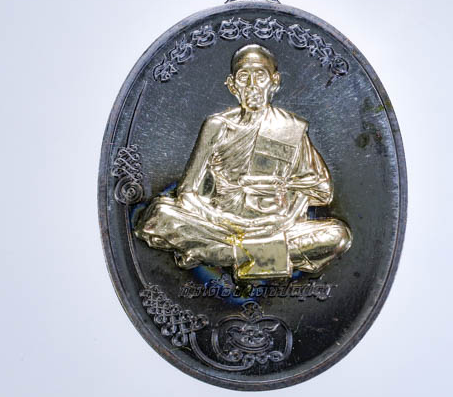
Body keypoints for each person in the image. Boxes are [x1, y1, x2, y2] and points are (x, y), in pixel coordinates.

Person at [135, 44, 351, 280]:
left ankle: (223, 255)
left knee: (338, 236)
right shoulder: (217, 126)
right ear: (232, 85)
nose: (252, 85)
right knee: (159, 215)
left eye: (260, 76)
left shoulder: (290, 128)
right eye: (243, 77)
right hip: (221, 224)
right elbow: (187, 192)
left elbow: (322, 190)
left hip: (275, 225)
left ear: (274, 82)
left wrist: (282, 194)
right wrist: (219, 218)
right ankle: (264, 257)